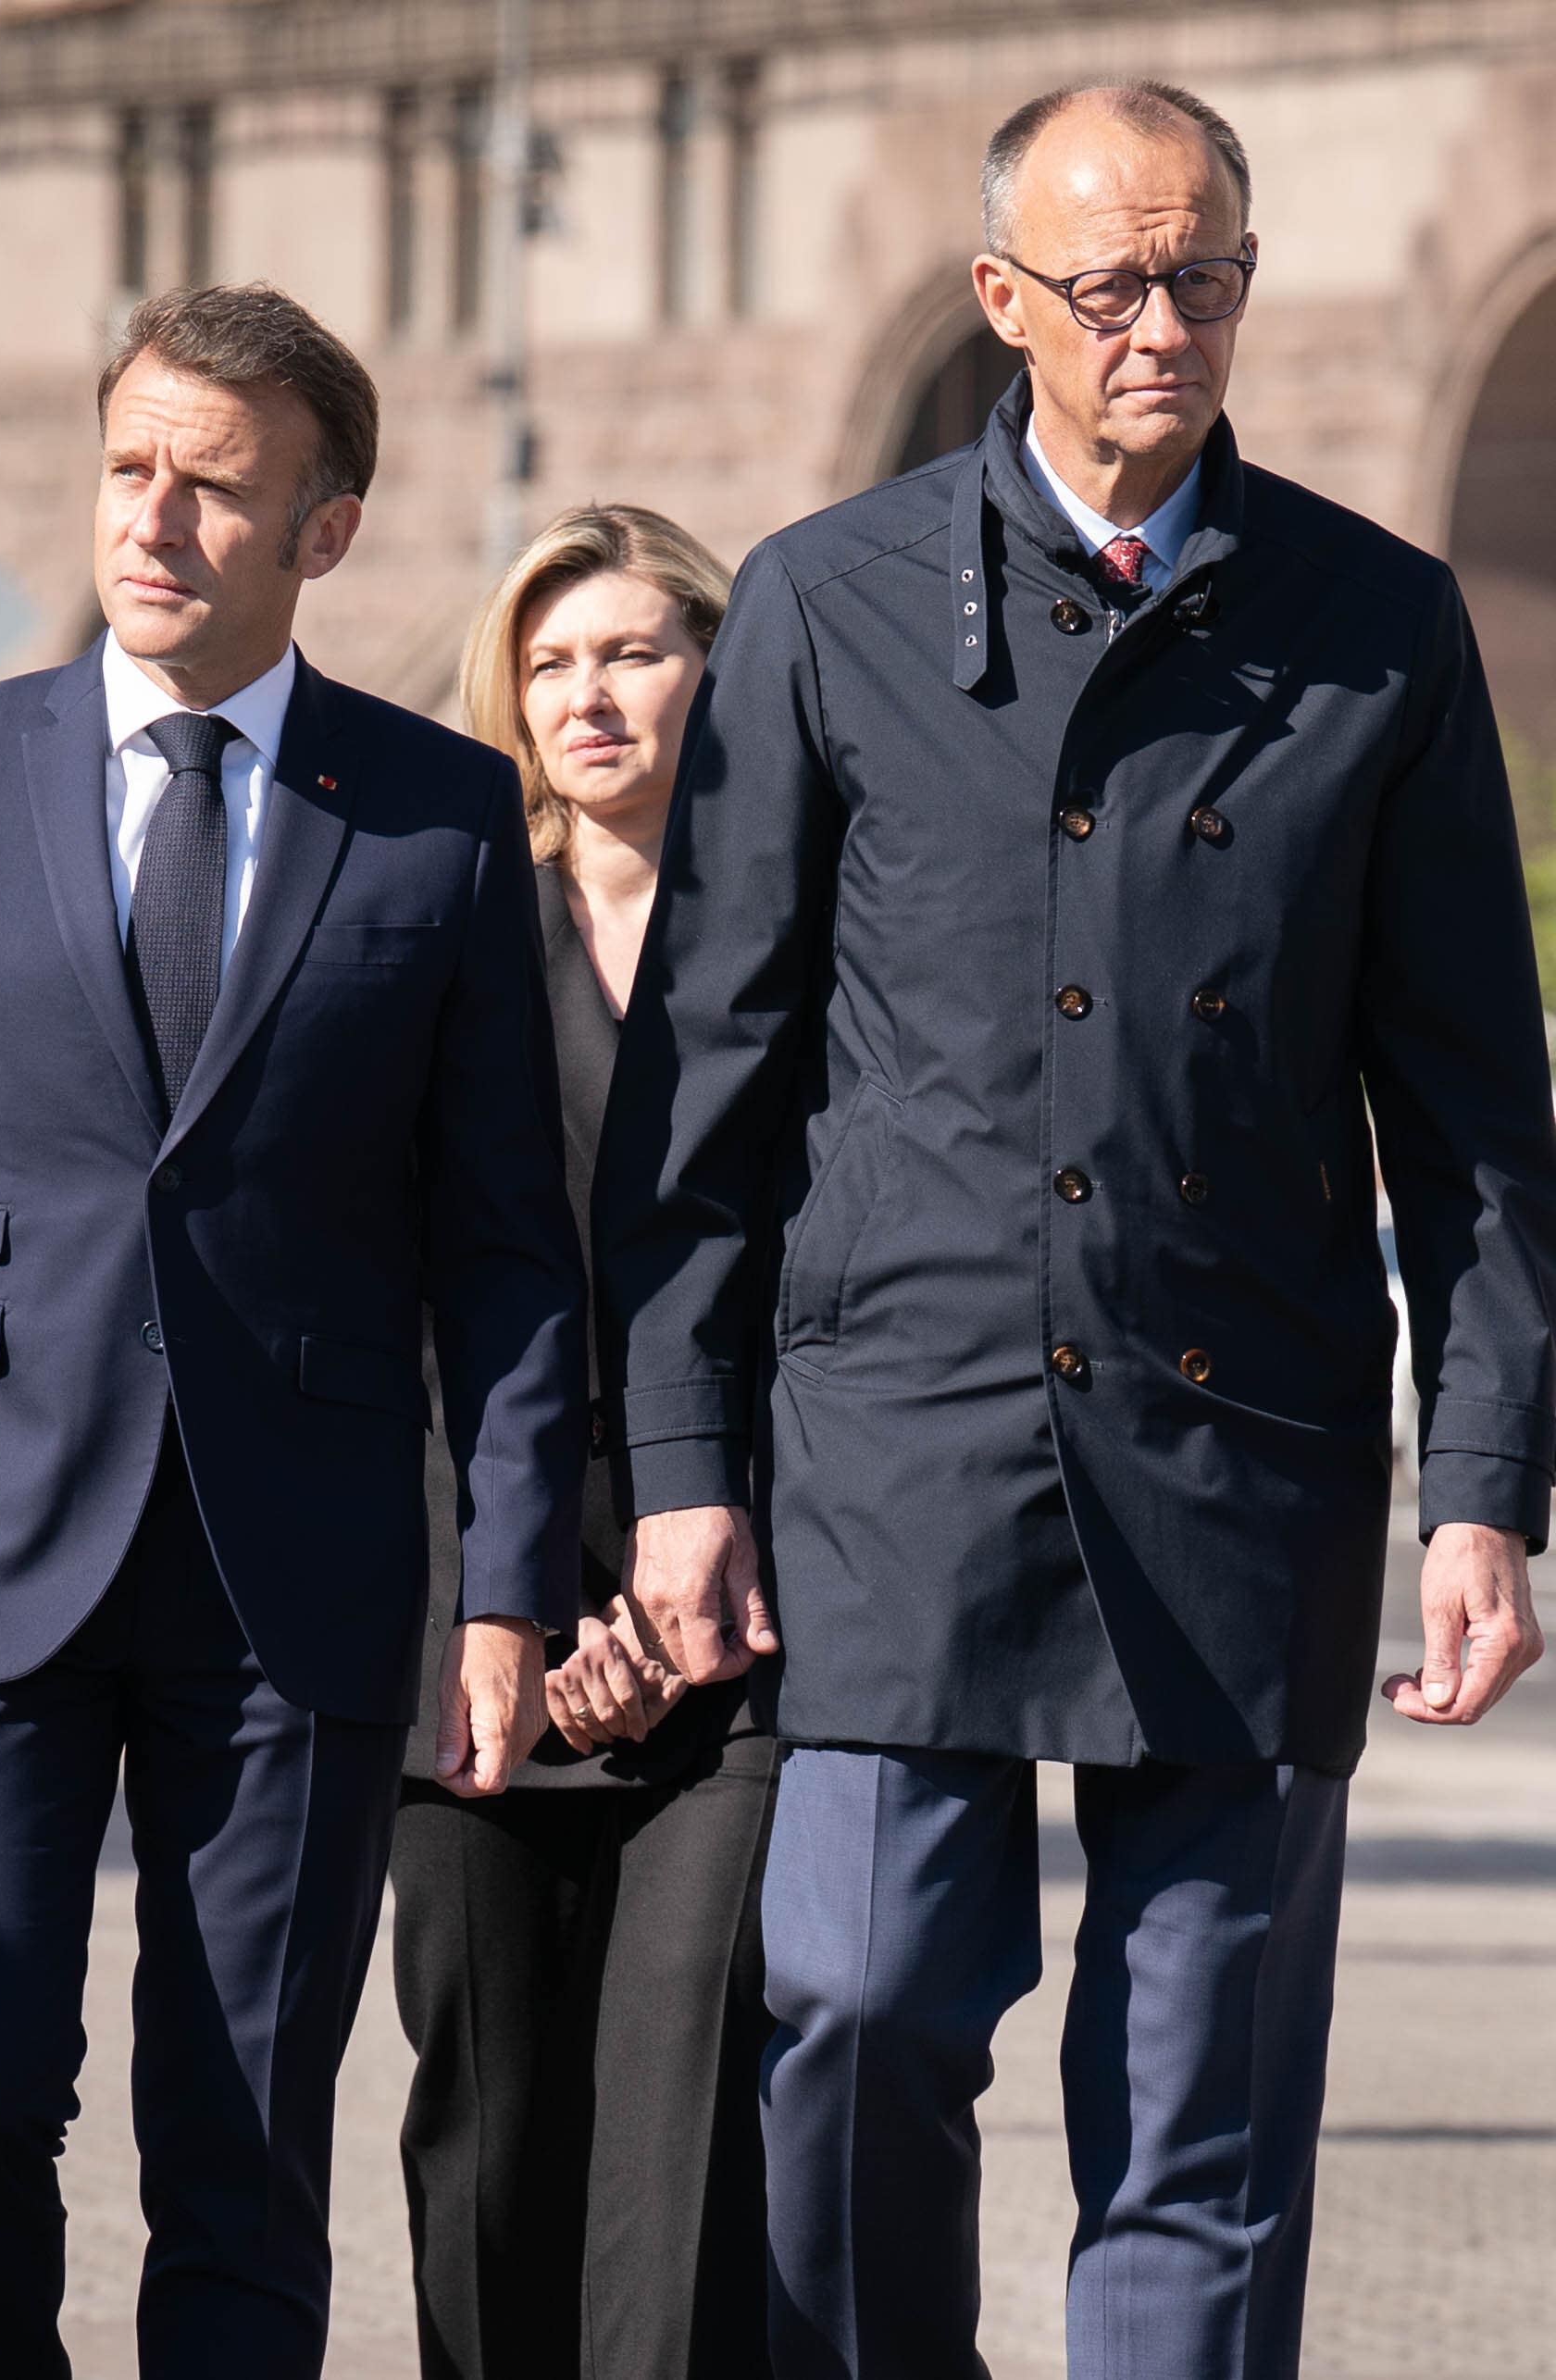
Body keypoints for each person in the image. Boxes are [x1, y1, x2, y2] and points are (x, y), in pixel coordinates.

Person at [593, 82, 1551, 2380]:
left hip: (1248, 1443)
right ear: (997, 299)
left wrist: (1484, 1487)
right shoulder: (824, 601)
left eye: (1202, 273)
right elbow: (699, 1084)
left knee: (1199, 2110)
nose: (1161, 322)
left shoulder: (1379, 622)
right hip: (897, 1442)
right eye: (1108, 282)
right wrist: (674, 1463)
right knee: (847, 1998)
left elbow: (1476, 1119)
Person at [0, 281, 591, 2379]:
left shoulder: (437, 815)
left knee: (240, 2143)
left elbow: (500, 1245)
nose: (154, 521)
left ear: (326, 529)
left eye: (214, 489)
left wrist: (501, 1589)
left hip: (292, 1580)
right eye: (128, 468)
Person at [391, 505, 774, 2380]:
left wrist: (680, 1574)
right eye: (548, 659)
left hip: (741, 1631)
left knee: (680, 2146)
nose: (586, 691)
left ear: (716, 670)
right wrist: (530, 1606)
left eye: (630, 648)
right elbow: (418, 1312)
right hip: (475, 1624)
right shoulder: (444, 933)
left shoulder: (806, 943)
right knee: (482, 2141)